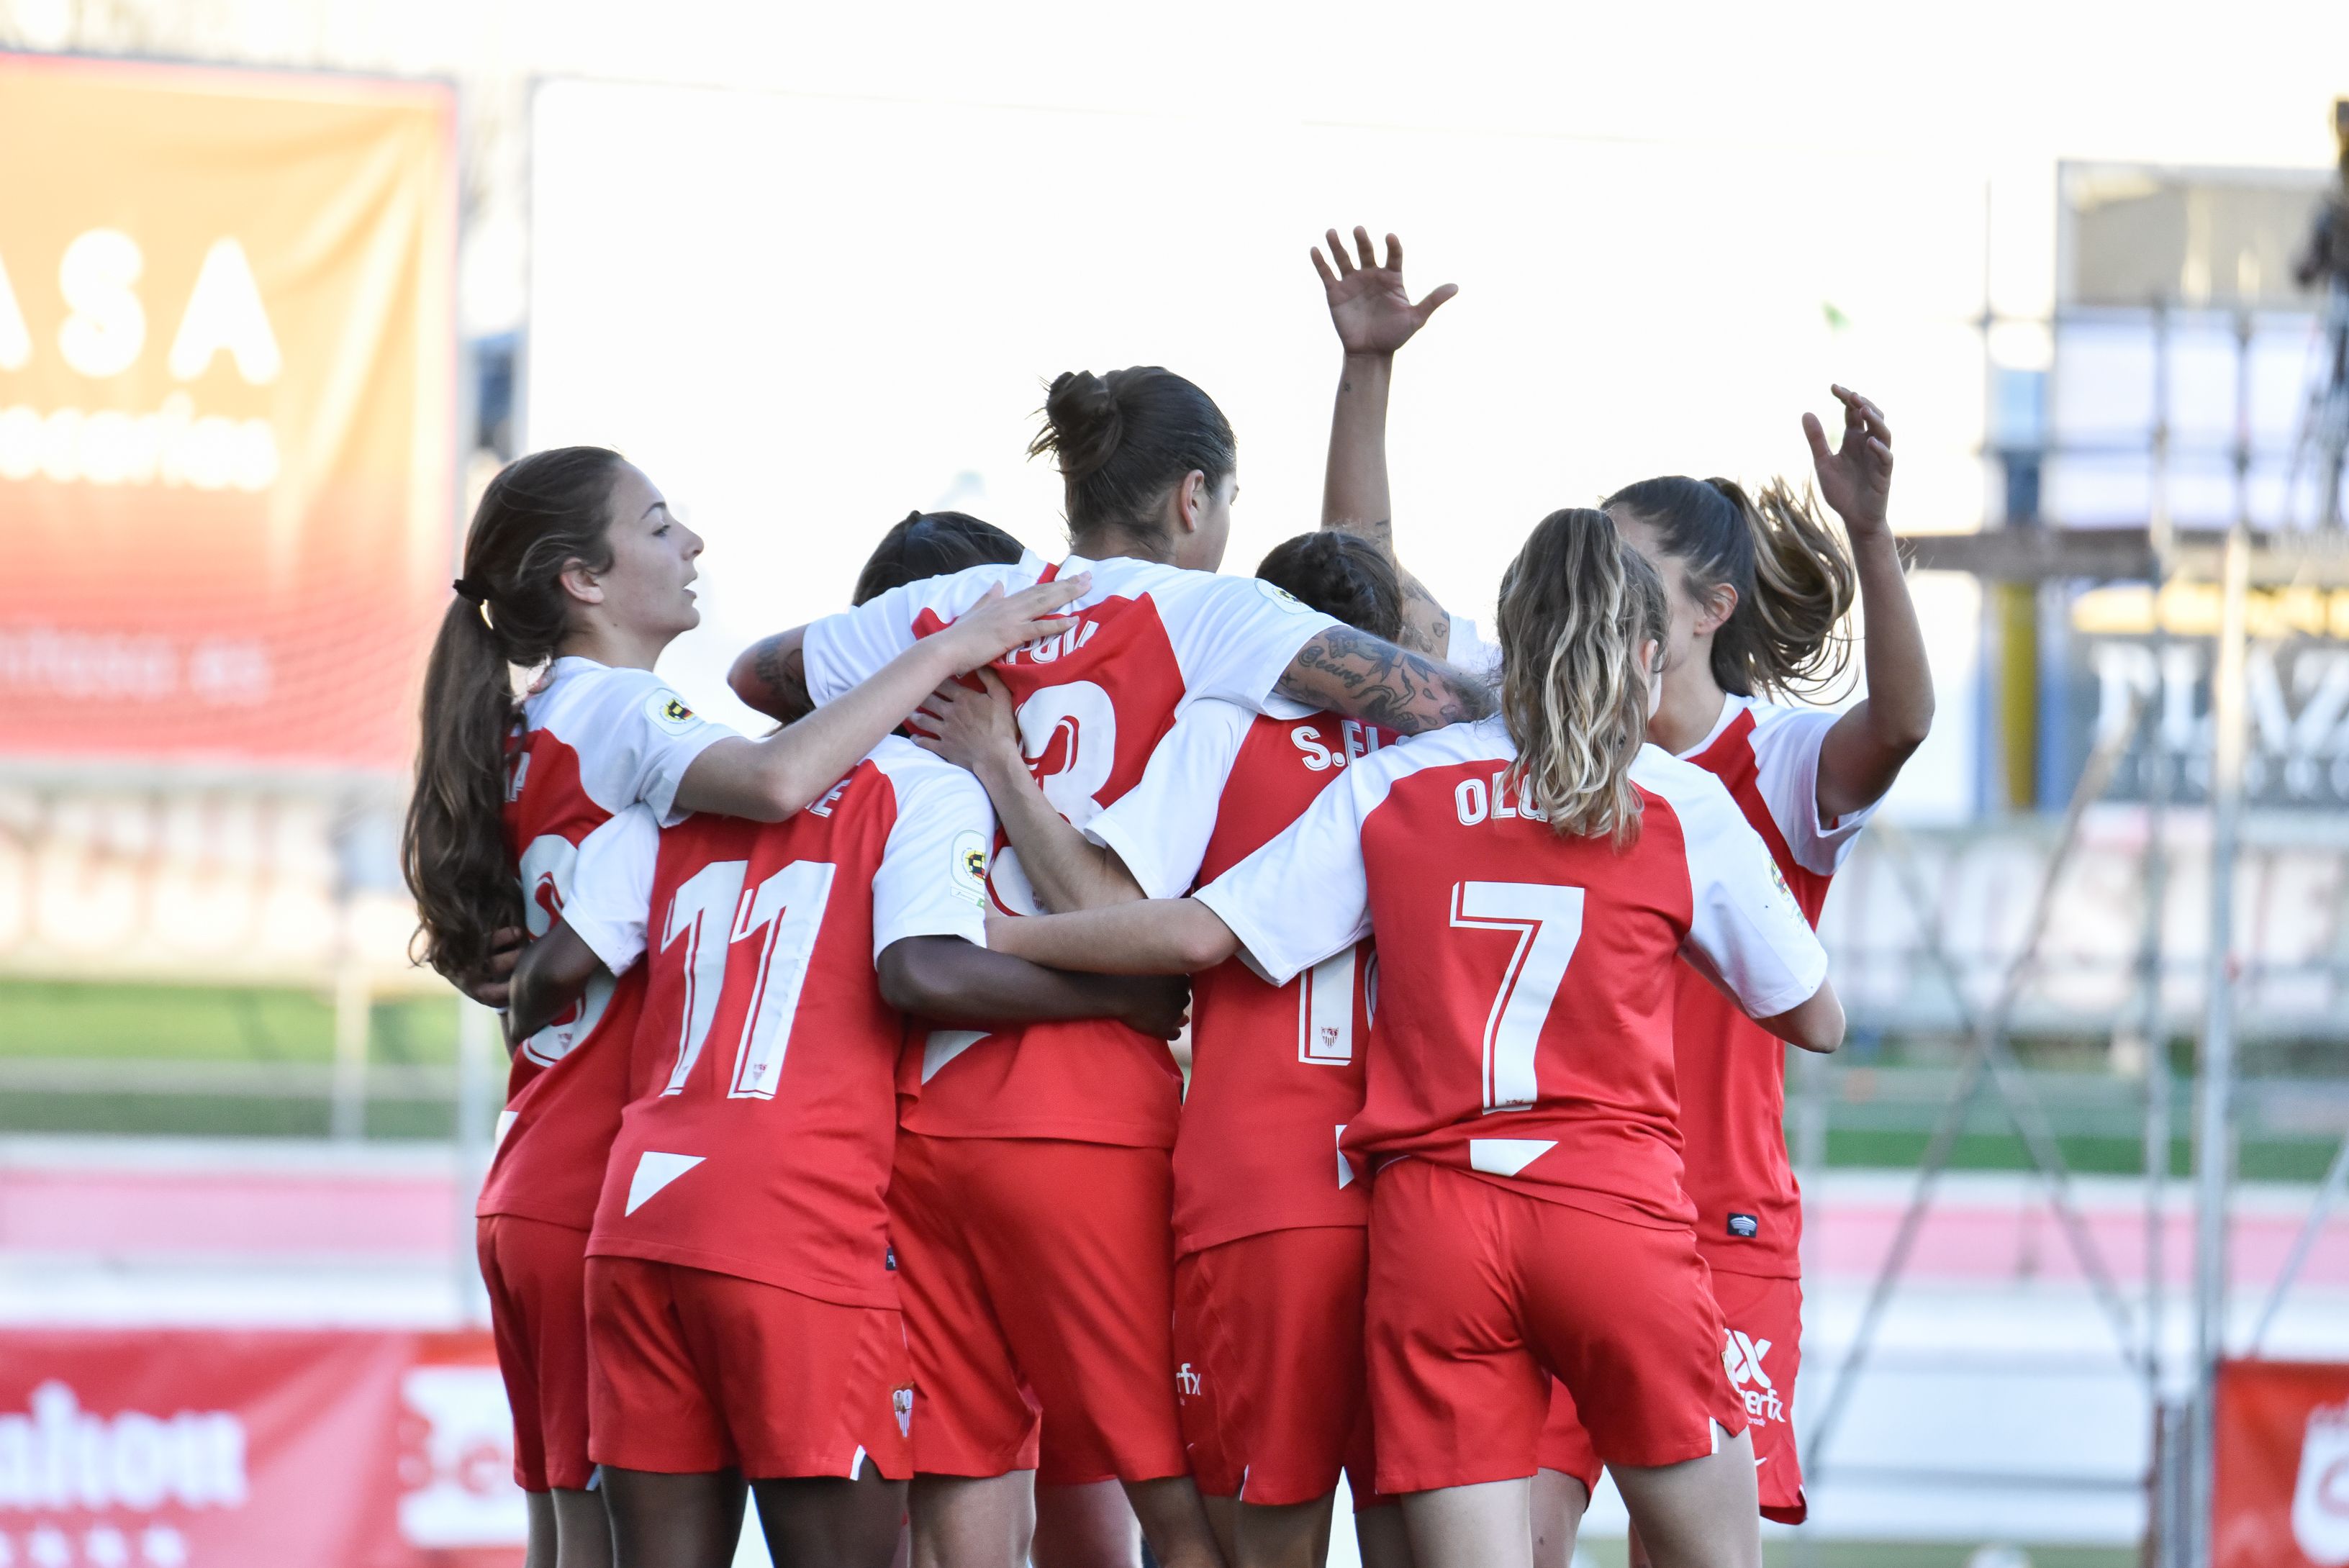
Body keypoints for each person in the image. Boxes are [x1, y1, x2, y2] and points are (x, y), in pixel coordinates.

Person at [721, 364, 1490, 1568]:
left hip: (919, 1106)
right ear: (1194, 498)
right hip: (1084, 1103)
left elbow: (758, 673)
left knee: (970, 1474)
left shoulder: (964, 600)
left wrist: (942, 654)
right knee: (1177, 1508)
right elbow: (1436, 698)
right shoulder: (1213, 614)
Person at [984, 507, 1845, 1568]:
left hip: (1435, 1220)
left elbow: (1204, 929)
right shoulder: (1679, 801)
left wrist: (1003, 932)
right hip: (1605, 1204)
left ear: (1506, 643)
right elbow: (1815, 1017)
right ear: (1648, 648)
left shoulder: (1401, 779)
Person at [399, 448, 1085, 1568]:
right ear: (582, 578)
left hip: (554, 1163)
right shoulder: (623, 705)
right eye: (661, 525)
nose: (693, 546)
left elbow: (536, 958)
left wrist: (512, 977)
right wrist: (950, 649)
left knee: (571, 1542)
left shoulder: (532, 724)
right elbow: (776, 781)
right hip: (615, 1170)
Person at [498, 728, 1189, 1568]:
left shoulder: (682, 790)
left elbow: (546, 978)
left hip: (638, 1204)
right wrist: (1118, 1000)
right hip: (790, 1209)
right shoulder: (918, 785)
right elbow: (922, 972)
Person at [915, 524, 1410, 1568]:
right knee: (1440, 1519)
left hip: (1268, 1183)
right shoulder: (1450, 757)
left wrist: (1002, 783)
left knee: (1220, 1533)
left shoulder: (1226, 725)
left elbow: (1132, 914)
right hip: (1435, 1179)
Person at [1530, 388, 1931, 1564]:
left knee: (1692, 1547)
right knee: (1516, 1528)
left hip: (1720, 1213)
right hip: (1563, 1201)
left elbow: (1900, 722)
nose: (1590, 592)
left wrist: (1867, 532)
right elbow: (1372, 588)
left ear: (1709, 608)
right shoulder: (1543, 748)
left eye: (1623, 570)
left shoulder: (1775, 759)